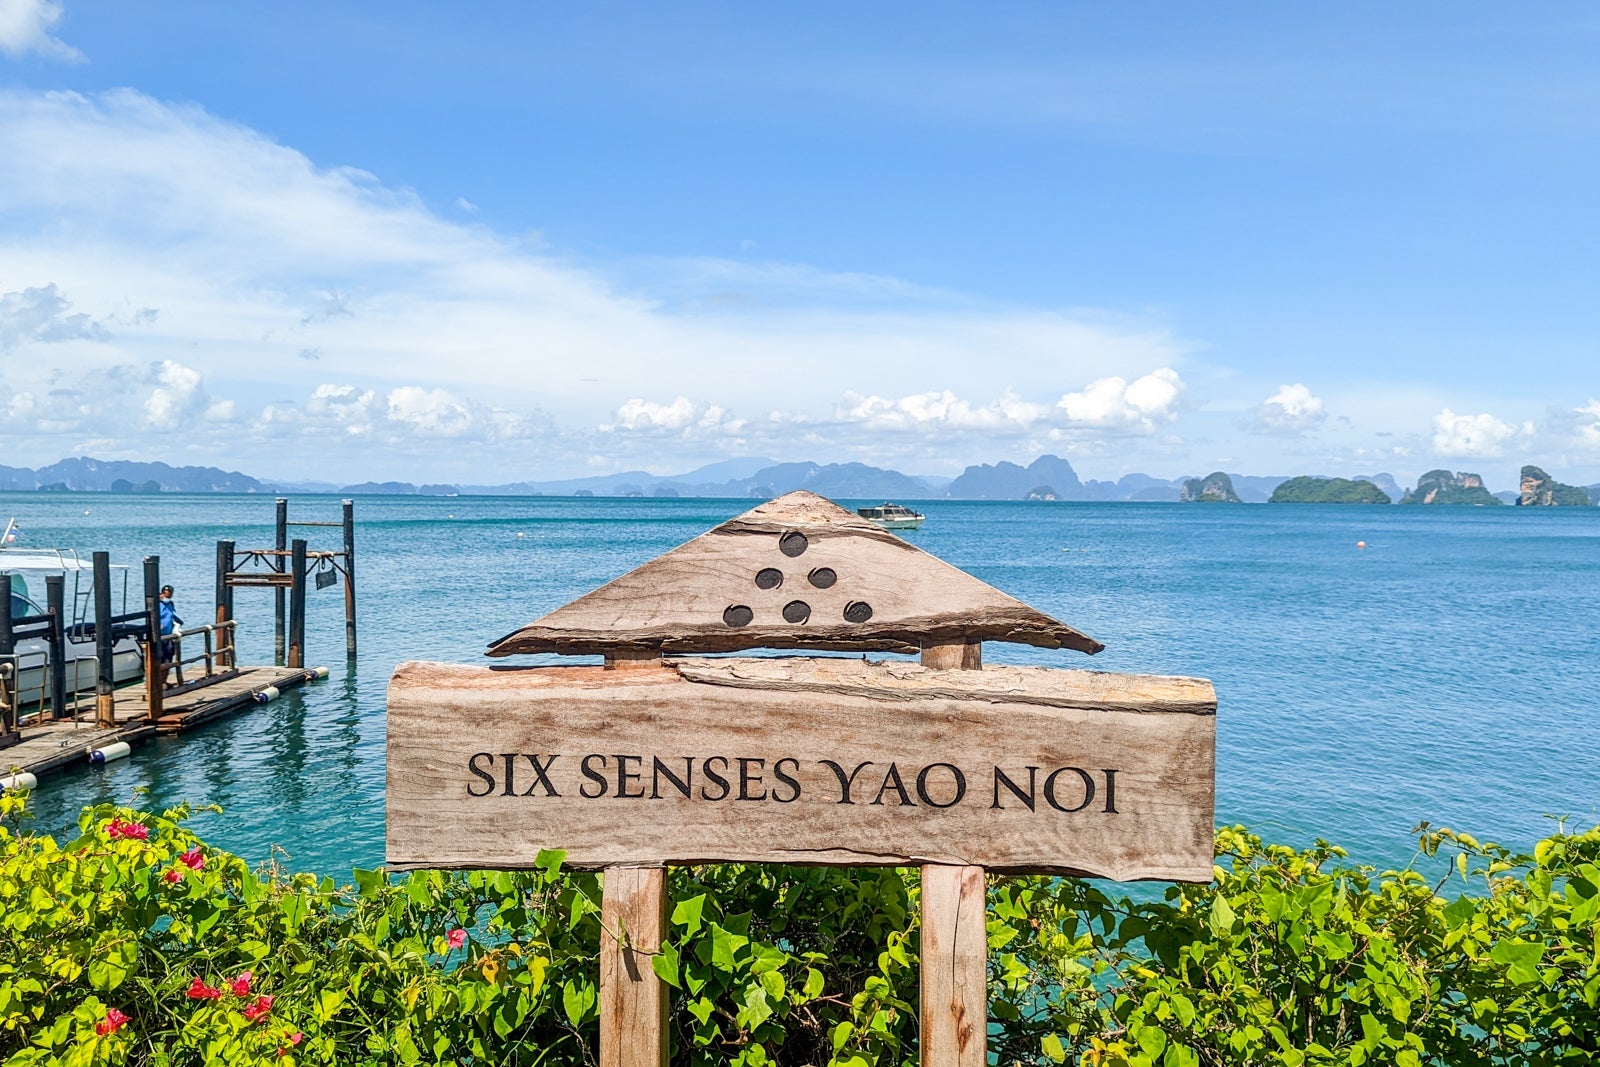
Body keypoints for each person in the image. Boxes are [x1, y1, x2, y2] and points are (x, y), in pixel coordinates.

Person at [159, 585, 185, 686]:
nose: (168, 594)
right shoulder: (157, 604)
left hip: (169, 636)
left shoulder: (170, 604)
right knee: (158, 659)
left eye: (170, 592)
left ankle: (163, 681)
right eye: (166, 592)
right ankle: (154, 682)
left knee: (168, 659)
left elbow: (171, 615)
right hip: (159, 636)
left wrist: (179, 622)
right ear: (161, 593)